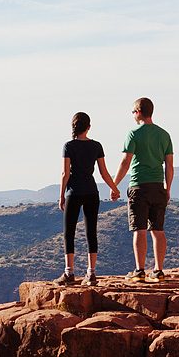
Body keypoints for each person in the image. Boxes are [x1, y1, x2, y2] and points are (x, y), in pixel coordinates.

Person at [112, 97, 174, 283]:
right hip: (158, 186)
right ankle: (158, 270)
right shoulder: (164, 135)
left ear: (138, 112)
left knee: (139, 229)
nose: (132, 116)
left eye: (132, 112)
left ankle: (139, 271)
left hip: (138, 185)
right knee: (158, 229)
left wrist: (114, 185)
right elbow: (169, 166)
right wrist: (168, 188)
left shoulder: (133, 134)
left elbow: (125, 162)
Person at [55, 112, 121, 286]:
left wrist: (61, 195)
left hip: (74, 192)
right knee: (91, 231)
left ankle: (69, 272)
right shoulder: (96, 146)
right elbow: (103, 172)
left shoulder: (68, 146)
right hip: (92, 192)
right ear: (88, 127)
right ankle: (91, 273)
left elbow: (65, 173)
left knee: (69, 232)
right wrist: (114, 188)